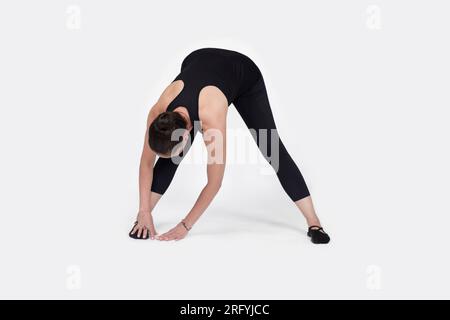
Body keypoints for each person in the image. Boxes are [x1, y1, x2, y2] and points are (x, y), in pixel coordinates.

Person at [129, 48, 330, 244]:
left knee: (273, 150)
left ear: (186, 135)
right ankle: (144, 220)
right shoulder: (158, 114)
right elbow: (146, 164)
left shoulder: (211, 119)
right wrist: (143, 211)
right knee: (171, 158)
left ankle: (314, 222)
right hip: (198, 59)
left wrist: (185, 225)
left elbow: (214, 183)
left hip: (243, 74)